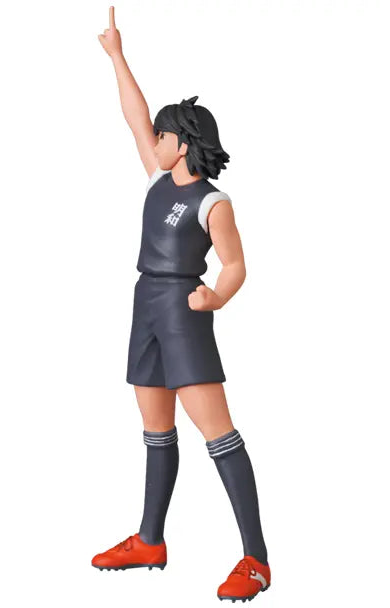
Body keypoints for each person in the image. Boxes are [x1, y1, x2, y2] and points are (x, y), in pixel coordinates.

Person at [92, 7, 271, 603]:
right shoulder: (156, 179)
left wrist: (216, 295)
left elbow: (236, 264)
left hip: (183, 312)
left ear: (184, 144)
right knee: (155, 429)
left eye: (164, 137)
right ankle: (150, 540)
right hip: (145, 305)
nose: (155, 141)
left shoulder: (213, 202)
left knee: (217, 433)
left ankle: (256, 558)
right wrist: (117, 56)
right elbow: (133, 117)